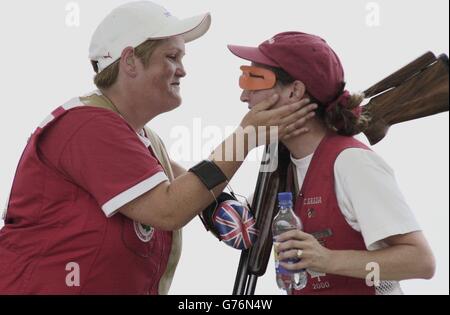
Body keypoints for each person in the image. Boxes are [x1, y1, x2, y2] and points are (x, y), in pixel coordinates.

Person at [0, 3, 316, 294]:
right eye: (171, 57)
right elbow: (170, 208)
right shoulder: (87, 126)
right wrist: (246, 137)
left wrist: (220, 203)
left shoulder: (141, 137)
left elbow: (192, 186)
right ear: (129, 61)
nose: (182, 70)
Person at [228, 31, 436, 295]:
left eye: (254, 79)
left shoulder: (352, 162)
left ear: (294, 91)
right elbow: (245, 220)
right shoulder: (283, 165)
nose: (244, 95)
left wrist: (326, 259)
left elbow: (420, 261)